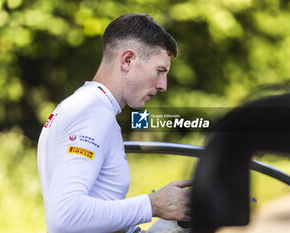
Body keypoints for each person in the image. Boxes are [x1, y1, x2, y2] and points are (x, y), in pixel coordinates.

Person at [37, 13, 191, 233]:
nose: (162, 85)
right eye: (160, 71)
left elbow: (94, 218)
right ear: (127, 60)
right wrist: (153, 204)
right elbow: (65, 216)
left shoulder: (84, 106)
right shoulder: (91, 111)